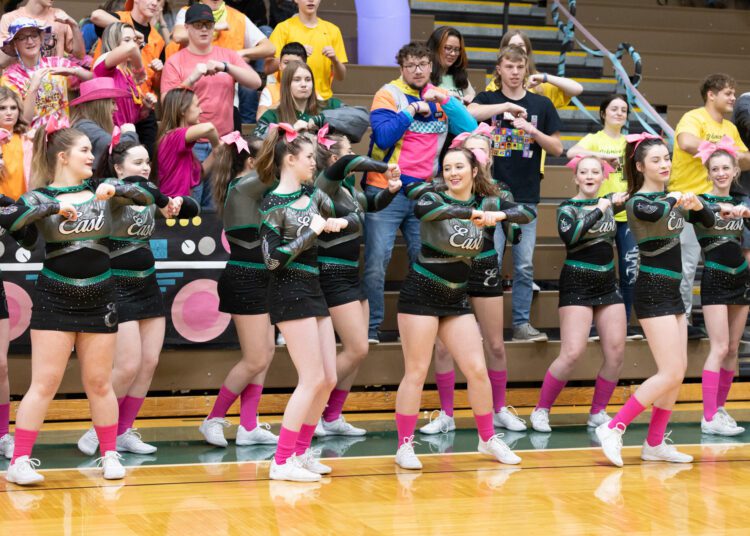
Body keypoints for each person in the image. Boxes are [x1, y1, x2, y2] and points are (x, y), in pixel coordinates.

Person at [5, 124, 174, 486]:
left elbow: (148, 195)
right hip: (55, 296)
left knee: (99, 383)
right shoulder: (39, 196)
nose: (91, 156)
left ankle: (109, 454)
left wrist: (118, 188)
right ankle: (19, 461)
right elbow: (12, 219)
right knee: (44, 383)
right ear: (62, 156)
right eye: (83, 150)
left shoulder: (101, 190)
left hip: (101, 297)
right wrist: (53, 207)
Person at [393, 147, 532, 470]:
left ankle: (487, 438)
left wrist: (501, 216)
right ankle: (404, 446)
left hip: (456, 298)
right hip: (421, 294)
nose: (453, 173)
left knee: (477, 370)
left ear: (474, 170)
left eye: (459, 167)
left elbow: (526, 212)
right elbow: (425, 211)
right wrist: (471, 215)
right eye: (447, 168)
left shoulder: (489, 202)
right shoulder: (433, 196)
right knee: (416, 372)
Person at [595, 133, 716, 468]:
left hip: (673, 292)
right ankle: (614, 426)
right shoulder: (637, 201)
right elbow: (654, 210)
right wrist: (677, 197)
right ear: (639, 166)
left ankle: (654, 443)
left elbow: (709, 222)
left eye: (667, 158)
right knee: (671, 371)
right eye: (656, 160)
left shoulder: (669, 198)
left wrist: (699, 205)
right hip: (652, 290)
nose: (665, 164)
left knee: (678, 372)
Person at [77, 139, 197, 457]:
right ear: (118, 167)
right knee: (127, 365)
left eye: (147, 162)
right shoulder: (112, 191)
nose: (145, 168)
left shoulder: (149, 194)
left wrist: (177, 203)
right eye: (137, 162)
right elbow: (132, 190)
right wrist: (159, 197)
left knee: (148, 362)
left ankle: (123, 430)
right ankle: (98, 429)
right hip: (118, 286)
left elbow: (189, 209)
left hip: (147, 284)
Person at [258, 123, 357, 482]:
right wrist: (311, 232)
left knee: (328, 377)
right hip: (288, 290)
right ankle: (281, 460)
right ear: (289, 160)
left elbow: (356, 216)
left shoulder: (314, 196)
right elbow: (271, 260)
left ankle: (300, 452)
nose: (315, 162)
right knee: (311, 377)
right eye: (309, 157)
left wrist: (338, 222)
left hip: (314, 288)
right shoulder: (272, 204)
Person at [364, 41, 477, 343]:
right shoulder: (388, 94)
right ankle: (371, 329)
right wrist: (412, 110)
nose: (417, 70)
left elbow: (470, 127)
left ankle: (420, 328)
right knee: (376, 263)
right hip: (386, 190)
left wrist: (446, 100)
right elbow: (383, 137)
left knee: (425, 262)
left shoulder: (440, 97)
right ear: (402, 68)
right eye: (411, 65)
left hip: (424, 194)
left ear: (431, 67)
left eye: (423, 64)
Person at [417, 127, 527, 436]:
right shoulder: (444, 188)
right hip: (451, 271)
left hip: (485, 268)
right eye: (472, 150)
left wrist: (508, 221)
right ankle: (447, 414)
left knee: (495, 344)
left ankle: (499, 409)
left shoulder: (499, 192)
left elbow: (519, 222)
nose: (477, 155)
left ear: (487, 159)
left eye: (482, 151)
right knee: (442, 347)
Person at [468, 44, 563, 342]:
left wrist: (532, 131)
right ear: (499, 69)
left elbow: (557, 148)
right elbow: (470, 112)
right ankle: (484, 327)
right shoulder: (488, 99)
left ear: (526, 69)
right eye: (509, 67)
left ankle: (521, 324)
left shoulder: (541, 105)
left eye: (520, 67)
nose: (515, 72)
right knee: (490, 261)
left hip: (525, 196)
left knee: (524, 265)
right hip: (490, 196)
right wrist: (505, 107)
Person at [313, 128, 402, 437]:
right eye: (349, 151)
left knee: (358, 352)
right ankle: (311, 408)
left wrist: (391, 191)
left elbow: (371, 205)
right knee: (357, 349)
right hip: (332, 273)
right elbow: (347, 165)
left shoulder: (348, 189)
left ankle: (332, 416)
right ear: (335, 159)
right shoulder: (324, 184)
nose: (353, 155)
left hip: (352, 272)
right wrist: (383, 167)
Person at [529, 156, 626, 433]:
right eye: (584, 172)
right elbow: (571, 236)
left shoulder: (610, 202)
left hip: (607, 283)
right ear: (576, 178)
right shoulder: (567, 208)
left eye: (595, 172)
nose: (589, 176)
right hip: (577, 283)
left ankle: (597, 412)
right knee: (572, 352)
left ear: (603, 177)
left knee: (616, 353)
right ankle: (541, 409)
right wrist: (601, 208)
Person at [196, 132, 279, 448]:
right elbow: (278, 174)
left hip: (263, 278)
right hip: (244, 278)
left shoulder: (255, 190)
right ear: (252, 163)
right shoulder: (242, 186)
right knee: (255, 359)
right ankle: (213, 419)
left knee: (266, 353)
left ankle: (248, 426)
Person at [671, 73, 750, 339]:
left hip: (718, 204)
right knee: (686, 267)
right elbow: (686, 142)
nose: (733, 98)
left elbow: (746, 159)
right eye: (728, 93)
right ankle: (683, 323)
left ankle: (724, 326)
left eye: (734, 93)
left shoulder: (730, 128)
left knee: (721, 264)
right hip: (689, 203)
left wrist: (727, 153)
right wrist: (723, 151)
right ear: (711, 94)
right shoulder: (693, 117)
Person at [161, 2, 261, 209]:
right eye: (198, 25)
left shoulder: (228, 55)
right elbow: (166, 102)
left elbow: (255, 82)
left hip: (222, 142)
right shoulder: (175, 60)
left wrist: (225, 67)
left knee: (215, 208)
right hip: (189, 144)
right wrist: (192, 78)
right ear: (187, 28)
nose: (204, 29)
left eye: (208, 24)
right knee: (189, 206)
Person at [568, 94, 641, 339]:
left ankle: (624, 327)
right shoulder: (594, 139)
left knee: (629, 272)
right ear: (603, 113)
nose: (619, 113)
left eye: (624, 110)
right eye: (614, 109)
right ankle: (593, 327)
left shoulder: (631, 143)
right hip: (599, 214)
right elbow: (571, 152)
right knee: (598, 271)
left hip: (626, 215)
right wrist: (600, 157)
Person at [693, 138, 747, 436]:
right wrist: (721, 208)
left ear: (735, 170)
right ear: (709, 173)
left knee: (733, 348)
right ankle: (708, 416)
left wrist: (744, 213)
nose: (721, 173)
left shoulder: (742, 202)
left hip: (742, 279)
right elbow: (697, 212)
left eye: (726, 168)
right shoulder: (700, 200)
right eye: (715, 169)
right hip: (714, 277)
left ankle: (720, 408)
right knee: (720, 346)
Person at [91, 0, 166, 156]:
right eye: (127, 39)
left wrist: (158, 72)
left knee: (145, 158)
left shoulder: (158, 39)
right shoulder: (120, 19)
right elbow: (96, 15)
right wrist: (132, 32)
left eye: (158, 0)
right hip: (109, 121)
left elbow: (156, 83)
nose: (154, 3)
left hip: (137, 109)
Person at [1, 18, 92, 132]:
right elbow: (23, 122)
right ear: (14, 44)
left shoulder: (57, 63)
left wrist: (74, 72)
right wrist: (33, 88)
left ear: (41, 38)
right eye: (22, 38)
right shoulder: (10, 78)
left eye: (34, 35)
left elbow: (94, 80)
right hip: (31, 138)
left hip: (63, 136)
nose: (30, 41)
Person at [266, 0, 347, 101]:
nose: (311, 0)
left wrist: (335, 60)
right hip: (290, 99)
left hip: (322, 99)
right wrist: (295, 55)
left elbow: (341, 77)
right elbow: (268, 68)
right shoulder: (283, 28)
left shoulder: (333, 30)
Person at [486, 30, 583, 109]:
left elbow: (577, 89)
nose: (516, 50)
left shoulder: (539, 81)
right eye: (512, 46)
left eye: (520, 45)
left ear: (527, 50)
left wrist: (545, 77)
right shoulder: (494, 84)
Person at [156, 87, 219, 202]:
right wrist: (217, 145)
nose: (201, 111)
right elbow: (209, 128)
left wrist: (216, 153)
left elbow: (197, 176)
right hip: (171, 205)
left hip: (180, 204)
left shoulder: (180, 142)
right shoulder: (172, 136)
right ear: (182, 110)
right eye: (197, 106)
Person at [254, 59, 341, 138]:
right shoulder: (272, 115)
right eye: (297, 79)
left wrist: (319, 120)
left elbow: (350, 117)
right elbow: (256, 142)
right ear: (286, 85)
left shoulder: (330, 105)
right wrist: (289, 131)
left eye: (308, 79)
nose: (304, 84)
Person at [70, 78, 138, 169]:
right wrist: (130, 133)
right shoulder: (85, 127)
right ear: (99, 105)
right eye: (113, 103)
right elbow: (117, 149)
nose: (116, 108)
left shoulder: (87, 126)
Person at [0, 0, 86, 66]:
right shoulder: (10, 18)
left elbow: (80, 55)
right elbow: (2, 61)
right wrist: (21, 32)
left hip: (54, 80)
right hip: (22, 81)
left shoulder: (59, 16)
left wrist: (74, 26)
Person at [256, 41, 308, 119]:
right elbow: (260, 118)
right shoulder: (270, 90)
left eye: (296, 63)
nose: (290, 67)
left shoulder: (310, 89)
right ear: (280, 65)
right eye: (286, 63)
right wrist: (283, 103)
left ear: (305, 66)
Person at [426, 26, 475, 103]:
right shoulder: (424, 74)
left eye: (457, 49)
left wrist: (471, 99)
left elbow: (472, 97)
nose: (453, 54)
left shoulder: (460, 76)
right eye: (448, 48)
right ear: (435, 48)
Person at [0, 86, 29, 199]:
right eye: (2, 108)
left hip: (24, 203)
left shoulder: (27, 139)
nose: (9, 113)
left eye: (13, 108)